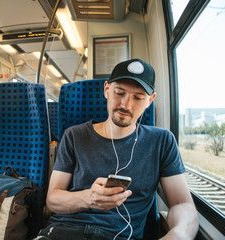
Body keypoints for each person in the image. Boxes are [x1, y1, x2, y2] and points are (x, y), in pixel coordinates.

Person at [35, 59, 198, 240]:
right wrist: (88, 198)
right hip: (63, 231)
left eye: (138, 97)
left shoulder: (162, 141)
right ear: (106, 90)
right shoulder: (74, 135)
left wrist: (179, 233)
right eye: (119, 93)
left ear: (150, 100)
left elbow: (182, 204)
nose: (126, 105)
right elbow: (53, 200)